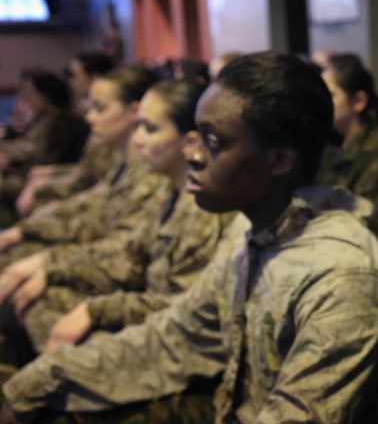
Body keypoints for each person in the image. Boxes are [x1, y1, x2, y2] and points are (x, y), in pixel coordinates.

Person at [0, 51, 378, 424]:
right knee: (44, 413)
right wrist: (44, 378)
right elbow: (178, 336)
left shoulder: (342, 275)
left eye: (214, 142)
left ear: (280, 160)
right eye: (195, 135)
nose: (192, 154)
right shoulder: (251, 227)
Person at [0, 79, 236, 359]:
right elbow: (128, 252)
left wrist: (97, 309)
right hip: (149, 315)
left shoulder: (206, 208)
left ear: (191, 141)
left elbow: (187, 310)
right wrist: (52, 268)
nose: (137, 140)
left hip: (176, 344)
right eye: (138, 127)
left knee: (48, 325)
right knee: (38, 294)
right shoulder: (171, 189)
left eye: (150, 128)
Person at [0, 64, 163, 267]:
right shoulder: (125, 162)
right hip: (98, 254)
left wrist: (46, 262)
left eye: (100, 109)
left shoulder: (152, 170)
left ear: (133, 111)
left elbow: (123, 250)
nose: (89, 118)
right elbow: (98, 200)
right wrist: (28, 230)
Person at [317, 54, 378, 239]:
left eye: (330, 95)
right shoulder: (329, 144)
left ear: (358, 101)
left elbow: (372, 227)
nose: (321, 103)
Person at [15, 53, 118, 217]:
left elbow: (104, 189)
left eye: (76, 76)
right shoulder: (51, 117)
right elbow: (85, 173)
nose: (71, 82)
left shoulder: (65, 119)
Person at [0, 71, 90, 226]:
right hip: (38, 172)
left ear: (46, 95)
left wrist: (11, 164)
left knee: (7, 186)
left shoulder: (63, 120)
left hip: (50, 174)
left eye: (33, 94)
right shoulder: (48, 116)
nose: (29, 99)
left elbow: (48, 158)